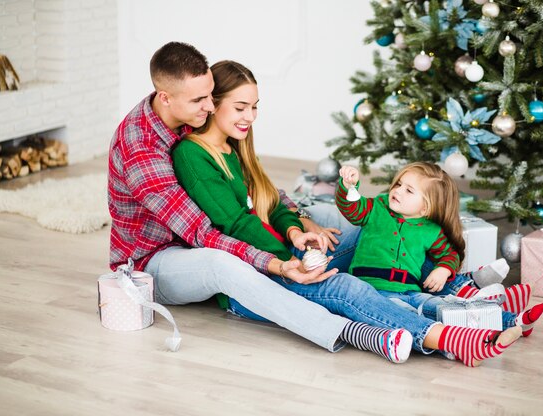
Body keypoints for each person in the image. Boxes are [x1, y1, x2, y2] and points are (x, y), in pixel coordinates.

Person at [170, 58, 523, 367]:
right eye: (241, 107)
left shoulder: (236, 147)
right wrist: (292, 263)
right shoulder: (193, 154)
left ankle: (477, 302)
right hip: (259, 275)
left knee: (375, 235)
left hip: (291, 256)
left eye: (255, 107)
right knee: (348, 287)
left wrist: (297, 235)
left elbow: (274, 205)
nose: (251, 117)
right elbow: (236, 224)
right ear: (214, 105)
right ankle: (445, 337)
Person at [108, 41, 413, 363]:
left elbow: (254, 187)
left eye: (211, 97)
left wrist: (297, 220)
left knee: (329, 215)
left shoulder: (188, 113)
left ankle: (425, 276)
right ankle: (345, 329)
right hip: (158, 261)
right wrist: (280, 263)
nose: (210, 108)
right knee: (220, 262)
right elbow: (203, 233)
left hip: (201, 236)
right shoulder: (141, 150)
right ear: (165, 97)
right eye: (200, 100)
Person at [336, 162, 543, 337]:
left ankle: (514, 321)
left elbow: (449, 254)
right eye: (398, 184)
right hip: (373, 291)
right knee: (423, 314)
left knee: (445, 308)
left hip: (410, 292)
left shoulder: (431, 230)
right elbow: (352, 208)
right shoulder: (377, 208)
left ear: (426, 207)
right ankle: (474, 333)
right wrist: (348, 186)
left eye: (408, 190)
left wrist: (443, 269)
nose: (397, 190)